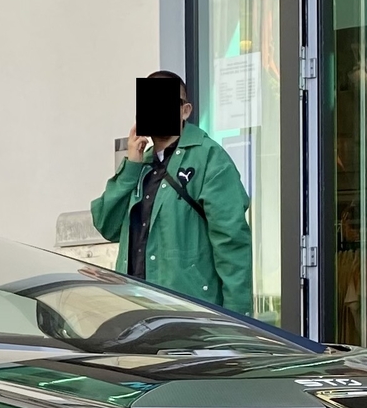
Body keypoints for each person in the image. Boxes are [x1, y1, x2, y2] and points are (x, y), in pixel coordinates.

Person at [89, 70, 253, 313]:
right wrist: (130, 167)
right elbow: (106, 224)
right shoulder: (140, 165)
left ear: (185, 111)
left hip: (190, 318)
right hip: (137, 311)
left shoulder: (208, 157)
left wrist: (239, 324)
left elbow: (232, 243)